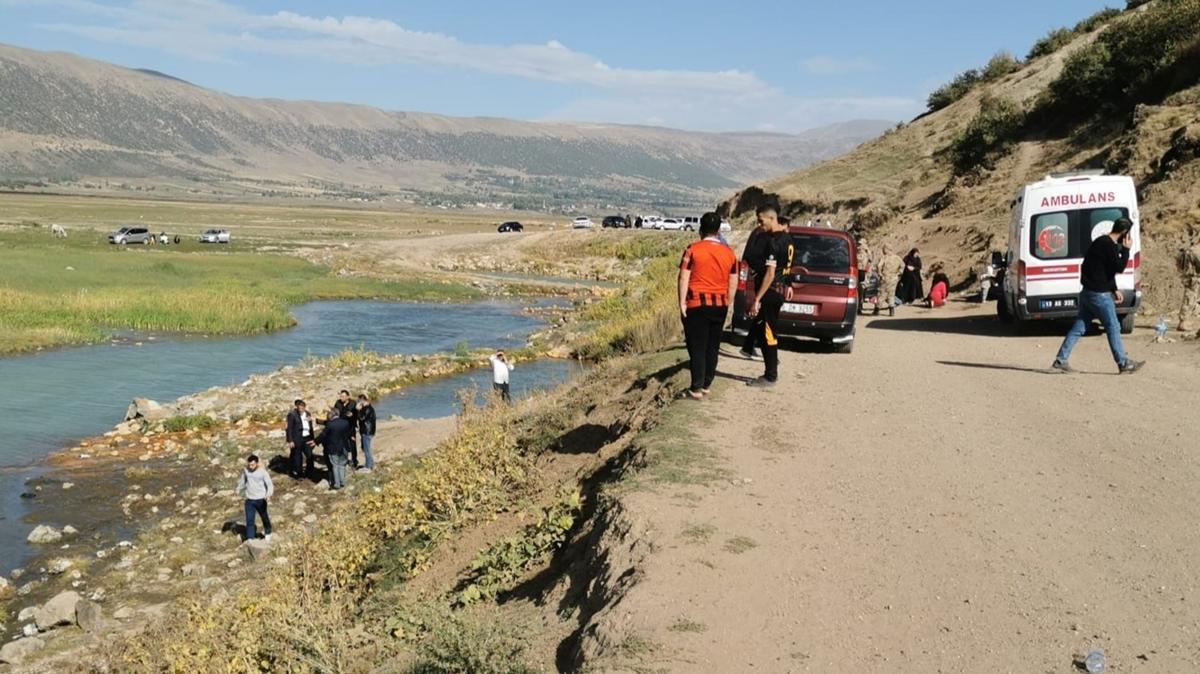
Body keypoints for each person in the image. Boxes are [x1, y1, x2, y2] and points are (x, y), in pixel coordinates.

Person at [1051, 217, 1144, 374]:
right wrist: (1127, 249)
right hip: (1099, 295)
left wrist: (1114, 289)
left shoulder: (1100, 242)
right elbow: (1119, 267)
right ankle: (1123, 363)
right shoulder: (1109, 246)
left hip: (1087, 293)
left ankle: (1061, 360)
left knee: (1079, 327)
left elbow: (1105, 270)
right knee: (1113, 326)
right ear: (1124, 233)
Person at [678, 212, 739, 399]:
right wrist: (728, 300)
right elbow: (733, 280)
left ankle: (696, 388)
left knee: (697, 346)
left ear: (700, 230)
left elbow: (683, 277)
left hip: (697, 304)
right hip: (720, 304)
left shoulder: (692, 250)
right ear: (719, 230)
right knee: (713, 345)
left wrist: (681, 302)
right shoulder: (730, 254)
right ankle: (706, 384)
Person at [743, 205, 793, 388]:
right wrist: (789, 283)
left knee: (768, 333)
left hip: (771, 292)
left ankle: (770, 375)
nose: (759, 224)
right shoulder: (788, 239)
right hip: (779, 290)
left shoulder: (774, 243)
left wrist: (757, 298)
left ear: (772, 219)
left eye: (761, 221)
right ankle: (767, 368)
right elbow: (786, 267)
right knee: (765, 330)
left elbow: (771, 274)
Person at [235, 454, 273, 541]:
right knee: (250, 519)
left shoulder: (263, 472)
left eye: (253, 465)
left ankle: (268, 532)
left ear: (257, 463)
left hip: (260, 499)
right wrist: (238, 489)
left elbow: (269, 484)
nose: (251, 467)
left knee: (264, 517)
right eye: (249, 465)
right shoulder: (246, 470)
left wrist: (268, 495)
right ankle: (250, 538)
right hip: (249, 499)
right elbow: (243, 480)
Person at [285, 399, 316, 479]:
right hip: (297, 438)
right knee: (297, 456)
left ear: (305, 407)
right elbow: (289, 428)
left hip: (307, 437)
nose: (300, 409)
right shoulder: (292, 415)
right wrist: (290, 440)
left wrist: (313, 438)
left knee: (309, 455)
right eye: (299, 408)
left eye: (302, 407)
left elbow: (311, 426)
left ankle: (310, 472)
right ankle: (298, 473)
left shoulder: (308, 413)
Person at [322, 410, 352, 490]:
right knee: (342, 465)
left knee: (335, 465)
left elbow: (323, 435)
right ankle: (343, 482)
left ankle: (337, 483)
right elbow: (349, 433)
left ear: (330, 416)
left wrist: (315, 441)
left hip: (333, 448)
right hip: (344, 447)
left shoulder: (330, 424)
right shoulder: (345, 422)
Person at [1176, 238, 1200, 333]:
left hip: (1192, 278)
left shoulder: (1191, 249)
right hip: (1193, 279)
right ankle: (1183, 322)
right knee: (1189, 299)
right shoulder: (1196, 251)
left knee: (1192, 300)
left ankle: (1185, 320)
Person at [875, 245, 904, 317]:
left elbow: (879, 266)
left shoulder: (884, 258)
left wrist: (880, 274)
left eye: (883, 249)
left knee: (881, 294)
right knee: (891, 294)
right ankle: (891, 310)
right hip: (894, 278)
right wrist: (898, 273)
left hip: (885, 277)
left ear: (887, 249)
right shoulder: (897, 258)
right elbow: (903, 265)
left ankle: (877, 309)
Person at [333, 390, 358, 469]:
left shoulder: (353, 403)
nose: (341, 398)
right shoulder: (338, 403)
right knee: (342, 444)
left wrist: (352, 415)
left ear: (348, 397)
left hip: (350, 427)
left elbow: (356, 414)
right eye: (340, 396)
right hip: (341, 427)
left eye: (343, 396)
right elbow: (335, 413)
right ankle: (344, 460)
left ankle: (354, 460)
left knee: (352, 444)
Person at [356, 394, 376, 471]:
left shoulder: (367, 409)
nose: (357, 402)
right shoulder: (368, 408)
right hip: (367, 430)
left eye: (358, 401)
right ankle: (370, 463)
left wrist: (358, 410)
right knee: (365, 448)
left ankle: (368, 466)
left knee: (366, 449)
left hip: (367, 431)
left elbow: (361, 418)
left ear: (362, 401)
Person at [856, 237, 873, 314]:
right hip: (858, 273)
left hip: (864, 273)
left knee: (862, 290)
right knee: (858, 291)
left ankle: (860, 306)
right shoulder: (857, 252)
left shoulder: (867, 252)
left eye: (861, 244)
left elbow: (870, 262)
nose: (859, 246)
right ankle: (858, 306)